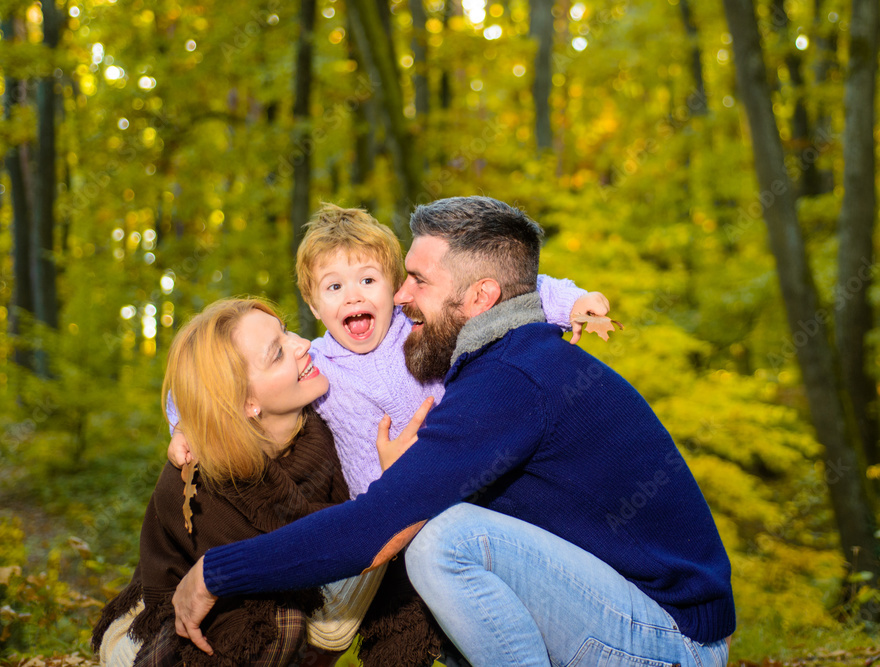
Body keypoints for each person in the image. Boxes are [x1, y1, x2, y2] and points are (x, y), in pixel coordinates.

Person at [171, 197, 736, 667]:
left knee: (445, 540)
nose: (398, 296)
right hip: (628, 609)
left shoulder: (509, 383)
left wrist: (215, 571)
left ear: (480, 298)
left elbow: (374, 531)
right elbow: (215, 372)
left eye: (415, 280)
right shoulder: (505, 360)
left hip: (671, 640)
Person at [167, 203, 609, 500]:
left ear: (395, 286)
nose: (353, 296)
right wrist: (182, 426)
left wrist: (572, 302)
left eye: (368, 280)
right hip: (383, 500)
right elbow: (209, 377)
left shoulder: (419, 327)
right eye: (334, 287)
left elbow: (507, 289)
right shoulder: (315, 366)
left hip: (465, 471)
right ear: (313, 303)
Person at [92, 299, 441, 666]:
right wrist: (391, 487)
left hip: (292, 595)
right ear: (246, 403)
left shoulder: (323, 416)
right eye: (277, 354)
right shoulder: (203, 485)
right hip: (167, 622)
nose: (303, 343)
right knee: (277, 623)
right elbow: (288, 566)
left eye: (287, 330)